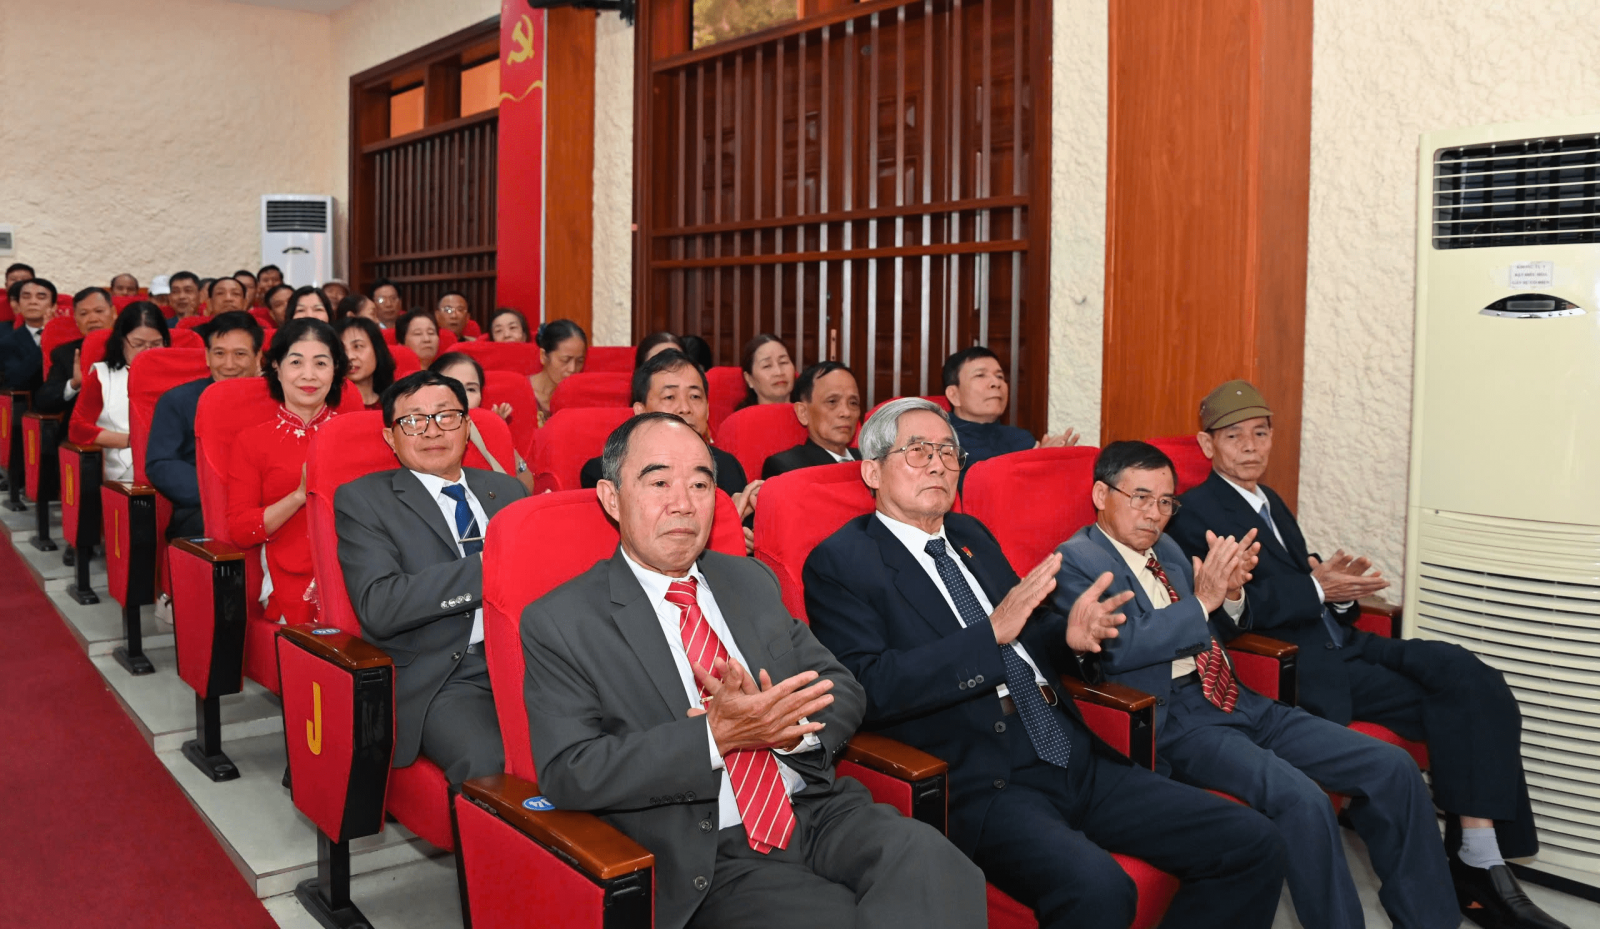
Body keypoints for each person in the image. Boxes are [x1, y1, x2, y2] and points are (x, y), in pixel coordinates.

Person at [803, 399, 1286, 929]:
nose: (938, 465)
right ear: (872, 471)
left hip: (1068, 747)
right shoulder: (841, 562)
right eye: (918, 452)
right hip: (979, 774)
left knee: (1252, 841)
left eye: (947, 451)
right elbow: (870, 688)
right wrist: (989, 636)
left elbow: (1031, 633)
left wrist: (1073, 638)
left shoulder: (970, 536)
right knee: (1100, 889)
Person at [523, 411, 987, 929]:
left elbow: (842, 686)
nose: (683, 503)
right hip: (708, 848)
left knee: (944, 871)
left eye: (701, 484)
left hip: (816, 807)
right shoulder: (563, 620)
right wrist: (713, 737)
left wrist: (788, 730)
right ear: (612, 498)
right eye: (659, 483)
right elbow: (569, 771)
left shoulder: (748, 580)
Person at [1167, 380, 1565, 929]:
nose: (1250, 446)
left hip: (1341, 639)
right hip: (1300, 662)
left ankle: (1480, 854)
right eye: (1234, 436)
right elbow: (1233, 611)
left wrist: (1339, 593)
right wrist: (1317, 588)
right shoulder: (1194, 513)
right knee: (1446, 710)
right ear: (1206, 445)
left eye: (1260, 433)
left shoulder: (1268, 499)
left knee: (1470, 679)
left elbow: (1303, 579)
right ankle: (1473, 871)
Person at [1056, 439, 1456, 929]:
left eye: (1165, 502)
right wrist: (1203, 602)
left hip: (1236, 696)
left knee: (1392, 766)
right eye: (1140, 497)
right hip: (1176, 719)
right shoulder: (1076, 561)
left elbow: (1220, 625)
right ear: (1101, 494)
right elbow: (1118, 648)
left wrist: (1231, 596)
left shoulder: (1168, 549)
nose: (1154, 514)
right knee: (1303, 800)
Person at [335, 370, 527, 784]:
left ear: (467, 426)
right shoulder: (365, 500)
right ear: (391, 438)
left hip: (530, 662)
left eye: (446, 416)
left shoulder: (508, 491)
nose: (432, 430)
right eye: (413, 421)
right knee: (491, 764)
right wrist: (488, 567)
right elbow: (380, 606)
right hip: (445, 676)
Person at [224, 318, 347, 625]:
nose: (309, 375)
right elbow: (240, 530)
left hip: (357, 568)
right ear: (276, 367)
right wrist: (297, 496)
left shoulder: (352, 435)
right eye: (296, 362)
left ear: (335, 369)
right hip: (289, 572)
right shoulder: (251, 441)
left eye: (321, 363)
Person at [146, 312, 263, 539]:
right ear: (207, 357)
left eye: (240, 354)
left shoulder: (276, 400)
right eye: (219, 353)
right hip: (202, 508)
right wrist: (221, 494)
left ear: (258, 357)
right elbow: (161, 464)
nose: (229, 365)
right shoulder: (177, 400)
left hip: (270, 506)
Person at [580, 349, 750, 501]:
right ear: (641, 412)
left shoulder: (727, 467)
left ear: (707, 410)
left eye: (695, 396)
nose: (685, 408)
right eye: (669, 397)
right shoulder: (607, 472)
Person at [942, 347, 1078, 483]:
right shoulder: (941, 442)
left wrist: (1053, 464)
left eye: (1000, 376)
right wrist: (1032, 467)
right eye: (980, 375)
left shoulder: (1021, 440)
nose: (996, 383)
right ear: (954, 395)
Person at [68, 302, 170, 481]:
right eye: (138, 344)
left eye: (156, 344)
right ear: (122, 341)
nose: (147, 351)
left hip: (172, 459)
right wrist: (134, 441)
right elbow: (78, 429)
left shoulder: (177, 375)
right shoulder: (102, 376)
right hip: (125, 467)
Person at [430, 352, 533, 492]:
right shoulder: (423, 434)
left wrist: (498, 435)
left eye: (471, 389)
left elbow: (526, 489)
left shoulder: (490, 427)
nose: (463, 396)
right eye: (453, 387)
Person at [762, 361, 862, 478]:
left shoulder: (871, 461)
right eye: (832, 401)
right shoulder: (788, 468)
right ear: (803, 412)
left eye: (853, 403)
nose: (846, 412)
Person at [32, 286, 116, 419]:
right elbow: (43, 401)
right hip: (84, 426)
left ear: (114, 313)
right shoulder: (66, 353)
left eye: (99, 311)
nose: (92, 319)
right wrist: (74, 384)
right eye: (83, 314)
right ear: (76, 320)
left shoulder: (132, 346)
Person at [528, 318, 586, 426]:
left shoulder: (580, 397)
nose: (572, 369)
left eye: (580, 361)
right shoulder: (522, 391)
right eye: (565, 360)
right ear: (543, 356)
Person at [0, 278, 55, 391]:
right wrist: (44, 342)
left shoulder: (67, 338)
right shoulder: (7, 343)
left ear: (54, 306)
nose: (32, 302)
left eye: (41, 297)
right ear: (18, 305)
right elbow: (14, 381)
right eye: (26, 297)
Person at [336, 316, 396, 409]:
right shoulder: (329, 408)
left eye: (357, 346)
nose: (350, 356)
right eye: (342, 349)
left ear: (377, 350)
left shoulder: (395, 404)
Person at [735, 334, 795, 410]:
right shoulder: (742, 417)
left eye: (783, 362)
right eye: (767, 366)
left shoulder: (808, 414)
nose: (779, 372)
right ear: (749, 379)